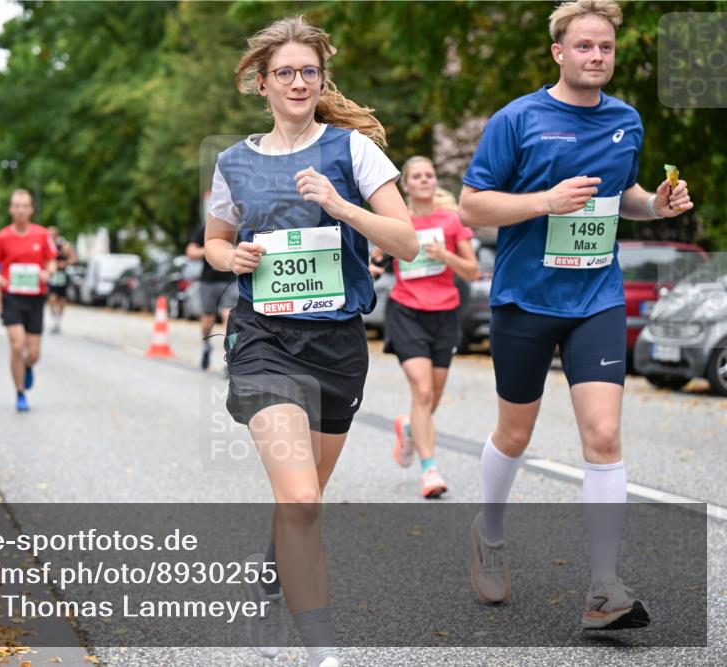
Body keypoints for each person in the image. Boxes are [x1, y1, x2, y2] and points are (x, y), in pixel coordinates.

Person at [458, 0, 692, 630]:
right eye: (584, 46)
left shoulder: (627, 120)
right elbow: (472, 207)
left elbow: (625, 200)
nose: (596, 57)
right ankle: (492, 532)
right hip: (525, 299)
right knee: (515, 434)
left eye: (606, 48)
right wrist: (544, 202)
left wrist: (658, 204)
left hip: (597, 298)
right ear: (559, 52)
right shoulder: (518, 119)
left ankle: (603, 589)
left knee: (605, 437)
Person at [205, 16, 417, 666]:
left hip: (337, 346)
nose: (298, 82)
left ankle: (271, 583)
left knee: (303, 501)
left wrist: (342, 205)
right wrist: (229, 258)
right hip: (264, 338)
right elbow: (214, 241)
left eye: (309, 71)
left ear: (321, 78)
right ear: (261, 84)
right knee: (298, 496)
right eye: (285, 72)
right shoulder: (233, 161)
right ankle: (325, 652)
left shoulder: (351, 151)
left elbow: (407, 239)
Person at [372, 157, 478, 499]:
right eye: (416, 176)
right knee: (422, 391)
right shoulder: (396, 221)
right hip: (406, 311)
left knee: (430, 397)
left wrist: (444, 255)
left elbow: (472, 272)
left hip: (445, 314)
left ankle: (407, 426)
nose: (424, 180)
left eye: (429, 175)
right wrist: (372, 269)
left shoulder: (450, 221)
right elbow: (376, 259)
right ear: (407, 185)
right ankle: (430, 470)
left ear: (435, 182)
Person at [0, 189, 58, 412]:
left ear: (31, 209)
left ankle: (27, 366)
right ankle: (20, 394)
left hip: (35, 298)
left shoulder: (43, 235)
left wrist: (48, 273)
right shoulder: (1, 237)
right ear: (10, 209)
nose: (20, 210)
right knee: (17, 345)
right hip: (12, 296)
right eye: (16, 206)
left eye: (24, 206)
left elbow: (52, 260)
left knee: (33, 353)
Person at [186, 215, 240, 370]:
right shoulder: (206, 228)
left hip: (230, 281)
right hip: (208, 281)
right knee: (207, 322)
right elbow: (190, 252)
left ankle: (229, 357)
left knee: (228, 317)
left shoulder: (236, 229)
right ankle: (206, 347)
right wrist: (212, 249)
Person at [46, 226, 77, 334]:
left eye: (52, 234)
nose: (50, 237)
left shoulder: (64, 246)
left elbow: (74, 259)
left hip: (62, 276)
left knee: (62, 300)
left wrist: (65, 263)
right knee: (52, 298)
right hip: (52, 276)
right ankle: (53, 320)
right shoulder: (46, 246)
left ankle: (59, 320)